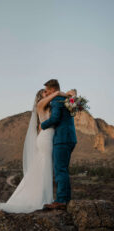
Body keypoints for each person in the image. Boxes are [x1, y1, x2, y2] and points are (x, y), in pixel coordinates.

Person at [0, 82, 75, 231]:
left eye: (47, 93)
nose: (46, 95)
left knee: (45, 169)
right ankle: (46, 199)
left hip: (50, 138)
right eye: (44, 94)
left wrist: (69, 95)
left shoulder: (53, 105)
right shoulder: (41, 105)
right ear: (40, 97)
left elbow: (64, 109)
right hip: (46, 140)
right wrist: (59, 93)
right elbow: (52, 111)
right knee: (47, 168)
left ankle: (48, 198)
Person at [40, 79, 77, 210]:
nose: (46, 92)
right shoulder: (67, 100)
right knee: (63, 170)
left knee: (60, 170)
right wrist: (73, 97)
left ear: (52, 90)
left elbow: (55, 118)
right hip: (71, 138)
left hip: (61, 138)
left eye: (47, 90)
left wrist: (42, 125)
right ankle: (66, 199)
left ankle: (61, 200)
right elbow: (74, 111)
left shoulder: (56, 101)